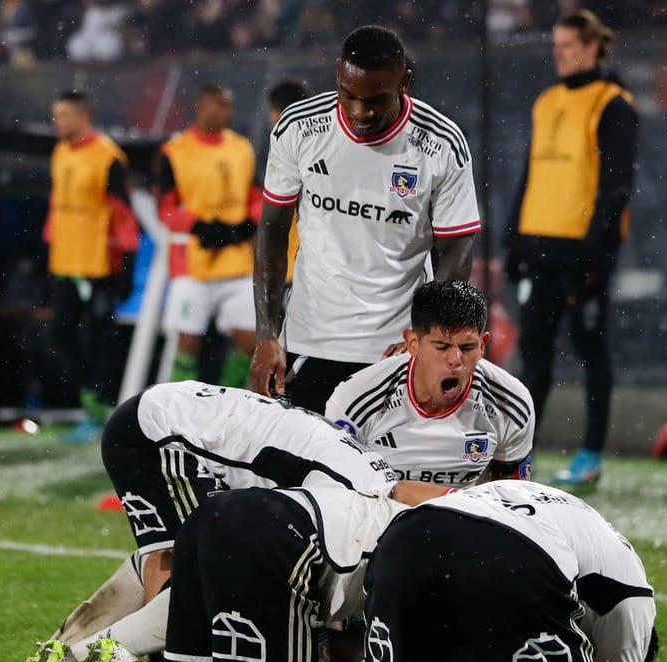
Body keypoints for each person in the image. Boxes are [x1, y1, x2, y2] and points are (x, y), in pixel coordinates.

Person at [0, 483, 445, 662]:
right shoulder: (433, 549)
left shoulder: (440, 513)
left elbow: (403, 491)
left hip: (220, 513)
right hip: (281, 539)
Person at [360, 480, 657, 662]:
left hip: (403, 539)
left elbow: (408, 490)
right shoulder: (634, 595)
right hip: (512, 552)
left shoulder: (537, 498)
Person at [251, 24, 481, 413]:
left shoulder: (441, 145)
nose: (360, 111)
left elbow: (456, 253)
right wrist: (266, 334)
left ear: (405, 80)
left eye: (375, 99)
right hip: (310, 342)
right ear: (338, 73)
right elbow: (272, 233)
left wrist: (423, 339)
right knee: (303, 469)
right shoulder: (299, 128)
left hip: (394, 351)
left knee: (387, 472)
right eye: (348, 95)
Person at [504, 9, 638, 489]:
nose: (558, 54)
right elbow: (531, 173)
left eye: (566, 46)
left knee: (590, 350)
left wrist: (597, 257)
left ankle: (591, 453)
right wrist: (513, 239)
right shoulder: (546, 101)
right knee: (534, 352)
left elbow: (615, 187)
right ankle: (522, 455)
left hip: (582, 253)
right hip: (539, 246)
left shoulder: (614, 104)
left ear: (590, 47)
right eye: (556, 45)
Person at [326, 281, 534, 487]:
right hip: (378, 515)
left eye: (468, 347)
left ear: (482, 346)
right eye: (442, 347)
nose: (455, 359)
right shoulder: (356, 400)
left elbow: (511, 502)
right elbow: (339, 497)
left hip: (461, 518)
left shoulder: (510, 404)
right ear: (413, 344)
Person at [45, 89, 138, 443]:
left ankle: (102, 409)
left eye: (64, 116)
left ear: (84, 117)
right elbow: (59, 205)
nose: (58, 123)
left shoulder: (108, 156)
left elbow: (123, 212)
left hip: (99, 264)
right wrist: (49, 248)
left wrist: (125, 261)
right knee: (62, 334)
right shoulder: (61, 151)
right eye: (56, 116)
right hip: (67, 262)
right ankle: (92, 401)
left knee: (102, 340)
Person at [156, 84, 258, 387]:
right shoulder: (175, 151)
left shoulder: (242, 147)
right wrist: (200, 227)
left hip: (237, 259)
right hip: (191, 262)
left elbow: (257, 196)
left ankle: (230, 402)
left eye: (228, 106)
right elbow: (166, 206)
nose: (225, 112)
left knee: (250, 341)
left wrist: (245, 226)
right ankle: (179, 411)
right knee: (188, 340)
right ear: (201, 106)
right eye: (219, 105)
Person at [263, 78, 310, 288]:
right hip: (321, 265)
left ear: (277, 112)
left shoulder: (283, 150)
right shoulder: (323, 146)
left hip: (291, 263)